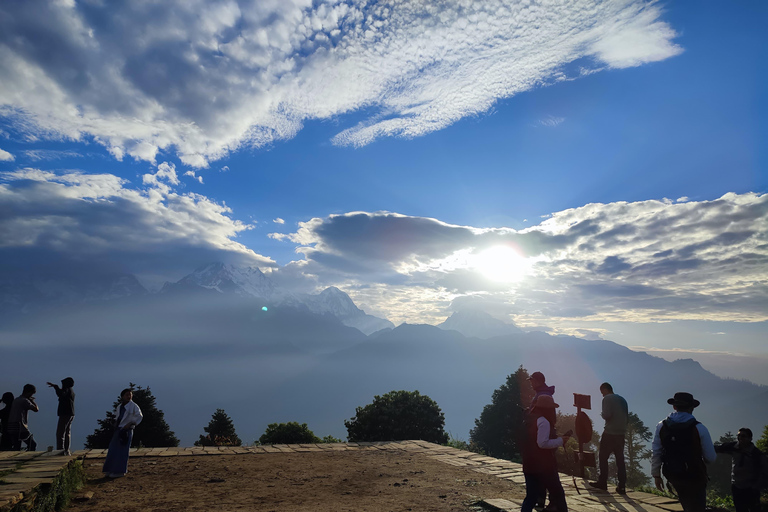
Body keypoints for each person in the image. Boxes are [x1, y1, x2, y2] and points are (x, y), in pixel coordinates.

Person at [651, 392, 716, 512]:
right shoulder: (699, 428)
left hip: (672, 473)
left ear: (674, 407)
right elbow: (710, 457)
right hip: (694, 475)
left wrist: (656, 475)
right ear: (692, 408)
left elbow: (656, 451)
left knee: (685, 502)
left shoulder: (662, 426)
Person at [521, 395, 570, 512]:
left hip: (528, 462)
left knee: (531, 497)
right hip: (544, 465)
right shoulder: (543, 421)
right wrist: (560, 441)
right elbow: (542, 443)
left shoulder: (529, 419)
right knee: (558, 494)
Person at [714, 428, 768, 512]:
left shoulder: (756, 454)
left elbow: (764, 472)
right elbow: (719, 448)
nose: (740, 438)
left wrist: (756, 487)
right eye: (738, 436)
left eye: (743, 436)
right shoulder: (733, 446)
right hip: (736, 486)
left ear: (750, 438)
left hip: (751, 488)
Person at [589, 382, 629, 493]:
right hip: (621, 433)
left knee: (602, 457)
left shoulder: (607, 399)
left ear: (605, 389)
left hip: (610, 432)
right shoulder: (622, 399)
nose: (602, 395)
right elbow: (626, 416)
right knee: (620, 460)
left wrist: (602, 414)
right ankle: (622, 486)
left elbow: (607, 415)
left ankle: (602, 482)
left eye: (602, 392)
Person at [527, 371, 556, 509]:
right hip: (543, 434)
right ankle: (543, 499)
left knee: (545, 471)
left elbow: (547, 418)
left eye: (532, 381)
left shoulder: (543, 395)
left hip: (543, 436)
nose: (531, 383)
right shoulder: (543, 393)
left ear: (538, 381)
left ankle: (547, 500)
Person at [102, 388, 143, 478]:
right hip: (119, 429)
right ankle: (109, 469)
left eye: (130, 395)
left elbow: (139, 416)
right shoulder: (120, 406)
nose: (129, 396)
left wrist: (131, 423)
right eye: (127, 395)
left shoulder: (134, 406)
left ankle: (119, 471)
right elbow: (117, 417)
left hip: (127, 430)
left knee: (122, 451)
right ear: (122, 396)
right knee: (113, 449)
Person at [47, 377, 76, 456]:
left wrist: (56, 387)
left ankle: (61, 450)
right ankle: (66, 450)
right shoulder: (70, 391)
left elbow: (60, 394)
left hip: (65, 413)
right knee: (67, 432)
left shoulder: (66, 390)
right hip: (70, 413)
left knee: (60, 432)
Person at [7, 384, 39, 451]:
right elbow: (36, 409)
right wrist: (32, 401)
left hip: (11, 427)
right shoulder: (25, 401)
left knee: (16, 446)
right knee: (32, 444)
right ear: (29, 392)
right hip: (20, 427)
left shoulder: (16, 400)